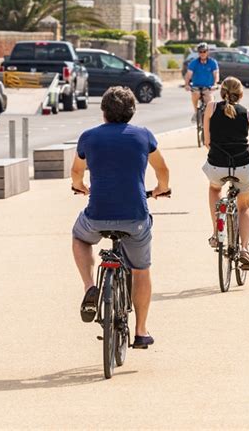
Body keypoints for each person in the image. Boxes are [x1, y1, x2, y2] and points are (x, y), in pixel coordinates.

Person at [71, 86, 170, 350]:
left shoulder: (88, 137)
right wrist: (161, 189)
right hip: (135, 217)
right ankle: (140, 331)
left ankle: (90, 286)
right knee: (141, 269)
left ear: (103, 112)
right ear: (132, 112)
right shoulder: (143, 136)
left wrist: (80, 186)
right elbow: (162, 169)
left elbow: (76, 172)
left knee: (80, 237)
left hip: (98, 215)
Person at [202, 76, 249, 270]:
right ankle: (244, 249)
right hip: (242, 165)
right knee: (245, 206)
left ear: (221, 92)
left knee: (214, 189)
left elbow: (207, 142)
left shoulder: (210, 108)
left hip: (217, 164)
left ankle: (217, 235)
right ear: (241, 95)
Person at [184, 42, 219, 122]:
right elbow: (188, 75)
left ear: (207, 52)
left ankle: (211, 121)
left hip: (208, 88)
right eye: (200, 52)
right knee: (194, 94)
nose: (202, 53)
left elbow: (216, 75)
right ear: (198, 53)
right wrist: (187, 84)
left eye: (204, 51)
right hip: (196, 86)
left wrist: (215, 84)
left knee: (210, 102)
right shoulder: (194, 63)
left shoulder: (212, 62)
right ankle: (196, 113)